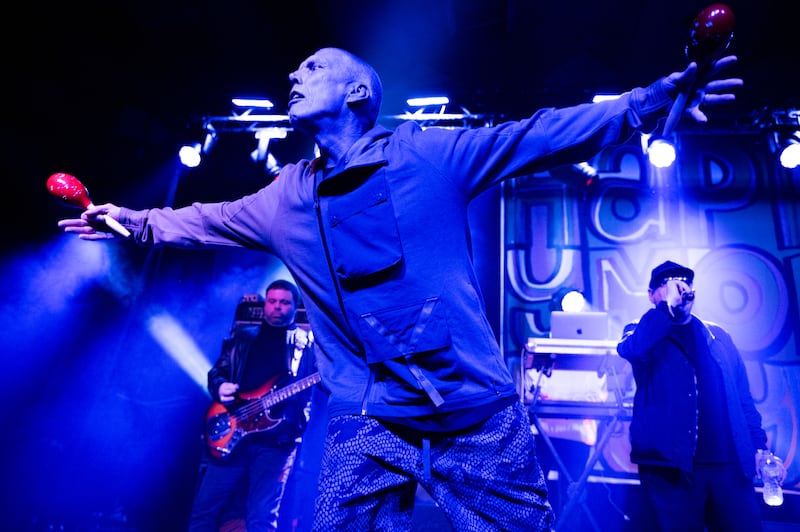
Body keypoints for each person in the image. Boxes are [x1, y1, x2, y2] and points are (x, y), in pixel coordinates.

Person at [58, 47, 743, 530]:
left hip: (474, 412)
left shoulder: (430, 154)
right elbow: (205, 219)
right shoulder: (284, 197)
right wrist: (133, 219)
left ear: (357, 94)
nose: (296, 73)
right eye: (297, 67)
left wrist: (653, 99)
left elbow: (542, 135)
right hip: (368, 419)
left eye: (317, 67)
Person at [616, 260, 786, 531]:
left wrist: (759, 448)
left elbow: (743, 399)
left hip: (730, 469)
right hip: (672, 470)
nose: (679, 287)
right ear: (651, 295)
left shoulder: (717, 336)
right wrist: (665, 308)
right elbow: (634, 349)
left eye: (684, 282)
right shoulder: (639, 330)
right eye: (668, 283)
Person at [189, 279, 316, 531]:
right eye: (272, 301)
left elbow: (316, 387)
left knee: (262, 518)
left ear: (295, 307)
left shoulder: (307, 343)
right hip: (233, 431)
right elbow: (218, 372)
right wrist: (220, 385)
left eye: (284, 302)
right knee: (204, 512)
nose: (277, 307)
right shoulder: (243, 338)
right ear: (265, 303)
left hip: (276, 442)